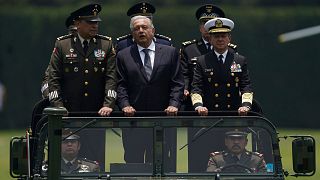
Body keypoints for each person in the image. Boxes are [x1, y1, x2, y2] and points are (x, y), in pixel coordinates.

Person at [47, 3, 117, 170]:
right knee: (66, 162)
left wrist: (108, 105)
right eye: (90, 22)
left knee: (96, 161)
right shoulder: (62, 45)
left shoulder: (105, 44)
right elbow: (53, 78)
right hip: (69, 115)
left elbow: (111, 77)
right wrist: (58, 108)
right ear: (77, 24)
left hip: (96, 115)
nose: (95, 26)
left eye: (97, 22)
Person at [116, 16, 184, 172]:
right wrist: (125, 105)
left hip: (164, 118)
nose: (141, 31)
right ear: (132, 34)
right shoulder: (124, 55)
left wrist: (173, 105)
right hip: (134, 120)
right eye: (136, 28)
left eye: (144, 27)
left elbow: (177, 83)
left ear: (153, 31)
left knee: (161, 162)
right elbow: (121, 85)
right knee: (133, 162)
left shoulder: (170, 52)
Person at [188, 17, 253, 172]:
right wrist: (199, 106)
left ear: (229, 38)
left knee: (232, 160)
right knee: (207, 158)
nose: (220, 39)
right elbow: (196, 87)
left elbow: (246, 86)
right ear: (210, 39)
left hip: (233, 118)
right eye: (216, 36)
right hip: (209, 119)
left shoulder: (239, 60)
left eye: (224, 36)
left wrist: (246, 105)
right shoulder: (202, 61)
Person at [41, 14, 77, 99]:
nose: (75, 37)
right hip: (65, 101)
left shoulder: (100, 48)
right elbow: (48, 79)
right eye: (73, 33)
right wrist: (52, 98)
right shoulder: (62, 50)